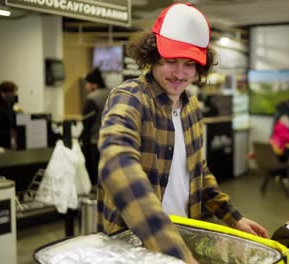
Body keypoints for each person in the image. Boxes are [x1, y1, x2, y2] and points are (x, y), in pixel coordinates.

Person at [97, 3, 268, 263]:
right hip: (135, 246)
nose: (179, 73)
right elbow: (117, 164)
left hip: (183, 237)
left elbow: (197, 172)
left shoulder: (191, 107)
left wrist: (234, 218)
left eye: (189, 64)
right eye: (170, 61)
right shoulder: (130, 97)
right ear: (152, 56)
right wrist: (169, 246)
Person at [79, 67, 110, 185]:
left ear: (93, 85)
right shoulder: (113, 93)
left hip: (95, 141)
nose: (86, 87)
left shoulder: (92, 98)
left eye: (87, 83)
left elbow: (86, 123)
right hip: (113, 141)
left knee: (95, 177)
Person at [269, 97, 289, 163]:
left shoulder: (280, 112)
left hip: (275, 147)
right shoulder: (287, 115)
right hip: (283, 150)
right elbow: (286, 135)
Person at [0, 81, 18, 149]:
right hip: (1, 146)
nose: (14, 95)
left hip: (10, 145)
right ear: (3, 93)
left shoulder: (10, 108)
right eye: (12, 92)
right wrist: (10, 133)